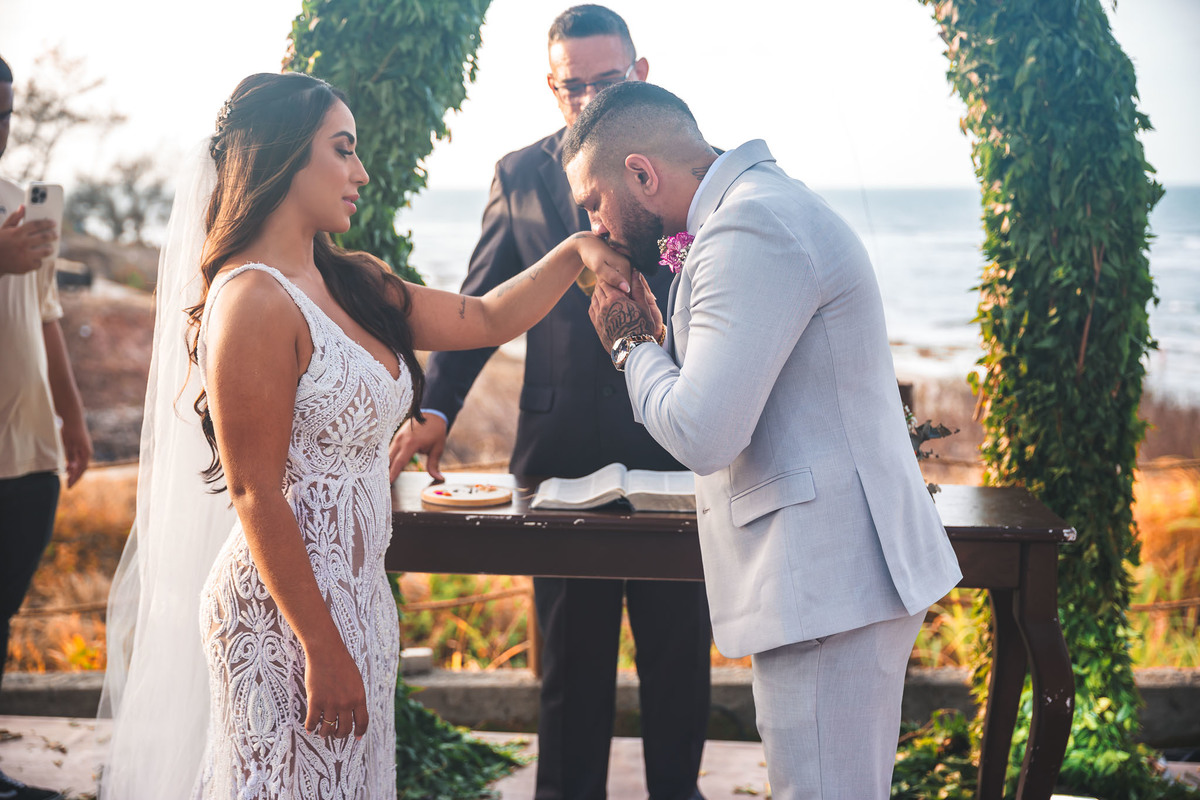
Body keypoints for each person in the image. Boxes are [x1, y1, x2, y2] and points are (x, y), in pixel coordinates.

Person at [99, 72, 629, 800]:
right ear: (284, 157)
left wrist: (574, 252)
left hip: (361, 605)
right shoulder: (252, 299)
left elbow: (485, 318)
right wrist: (321, 645)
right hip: (283, 618)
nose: (361, 172)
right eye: (343, 150)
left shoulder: (355, 283)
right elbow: (256, 493)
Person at [563, 81, 964, 799]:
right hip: (833, 581)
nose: (593, 223)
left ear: (643, 174)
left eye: (594, 201)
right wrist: (664, 345)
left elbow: (704, 432)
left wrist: (630, 348)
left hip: (828, 584)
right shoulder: (759, 210)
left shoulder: (749, 228)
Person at [388, 7, 711, 798]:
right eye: (574, 86)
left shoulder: (687, 167)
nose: (588, 96)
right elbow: (480, 306)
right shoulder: (520, 174)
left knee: (679, 656)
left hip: (678, 448)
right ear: (551, 86)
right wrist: (434, 409)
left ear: (640, 76)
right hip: (561, 456)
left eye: (606, 81)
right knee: (571, 668)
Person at [0, 53, 91, 800]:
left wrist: (74, 418)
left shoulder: (17, 203)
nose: (0, 131)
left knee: (3, 609)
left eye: (5, 115)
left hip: (31, 445)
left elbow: (49, 317)